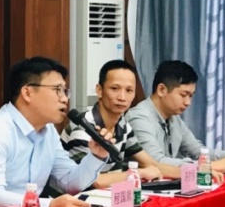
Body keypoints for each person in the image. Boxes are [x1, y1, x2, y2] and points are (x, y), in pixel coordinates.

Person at [0, 57, 114, 207]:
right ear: (27, 93)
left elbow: (69, 182)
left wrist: (97, 156)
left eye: (65, 91)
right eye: (57, 90)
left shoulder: (49, 131)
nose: (64, 99)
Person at [61, 59, 182, 188]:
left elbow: (150, 164)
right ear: (99, 90)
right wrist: (139, 173)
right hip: (74, 198)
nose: (122, 98)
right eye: (114, 88)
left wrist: (192, 173)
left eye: (129, 90)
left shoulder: (124, 126)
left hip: (109, 197)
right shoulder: (82, 128)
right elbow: (92, 180)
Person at [126, 60, 225, 176]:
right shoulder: (139, 117)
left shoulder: (174, 118)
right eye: (183, 95)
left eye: (190, 96)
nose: (188, 102)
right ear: (161, 90)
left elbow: (197, 151)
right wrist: (208, 167)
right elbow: (155, 162)